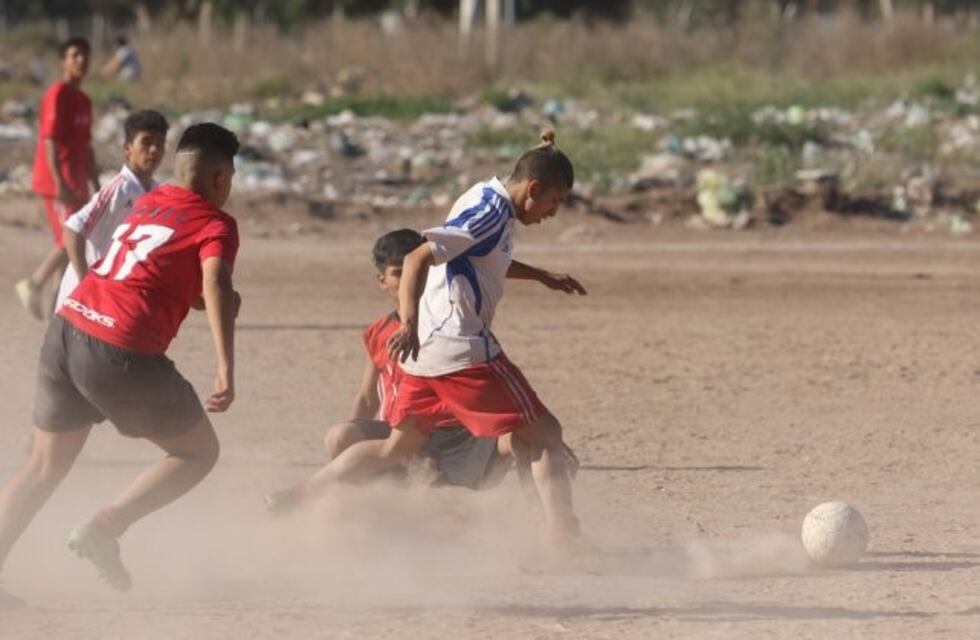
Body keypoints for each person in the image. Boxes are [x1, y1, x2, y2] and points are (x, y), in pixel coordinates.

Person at [290, 129, 586, 545]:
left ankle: (305, 492)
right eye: (554, 203)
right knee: (546, 434)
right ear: (533, 187)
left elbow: (484, 257)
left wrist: (541, 276)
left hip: (426, 355)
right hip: (461, 348)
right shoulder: (488, 212)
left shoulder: (482, 199)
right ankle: (563, 538)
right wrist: (408, 322)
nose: (551, 214)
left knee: (395, 448)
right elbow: (417, 257)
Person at [0, 123, 241, 601]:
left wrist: (211, 298)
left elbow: (167, 277)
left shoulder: (151, 201)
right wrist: (225, 367)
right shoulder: (217, 223)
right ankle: (105, 526)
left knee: (43, 467)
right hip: (118, 349)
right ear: (219, 179)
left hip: (66, 330)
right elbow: (212, 284)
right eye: (231, 176)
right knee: (199, 453)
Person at [265, 230, 512, 515]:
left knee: (517, 441)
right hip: (403, 435)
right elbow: (368, 397)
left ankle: (546, 520)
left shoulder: (455, 321)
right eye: (399, 273)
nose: (412, 280)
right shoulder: (378, 332)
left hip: (459, 435)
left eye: (421, 270)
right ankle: (372, 505)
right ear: (382, 280)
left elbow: (494, 379)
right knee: (339, 437)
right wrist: (356, 446)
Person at [16, 37, 100, 320]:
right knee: (69, 240)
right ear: (63, 61)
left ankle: (58, 307)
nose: (81, 61)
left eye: (85, 55)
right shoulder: (57, 94)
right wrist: (60, 183)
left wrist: (97, 185)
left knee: (72, 244)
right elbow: (49, 141)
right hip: (57, 185)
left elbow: (86, 147)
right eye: (75, 55)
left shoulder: (84, 101)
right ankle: (34, 284)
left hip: (77, 185)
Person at [55, 109, 168, 310]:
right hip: (82, 299)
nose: (153, 150)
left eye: (159, 144)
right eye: (146, 142)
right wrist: (84, 281)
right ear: (127, 148)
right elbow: (73, 229)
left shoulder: (157, 192)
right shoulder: (119, 188)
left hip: (113, 295)